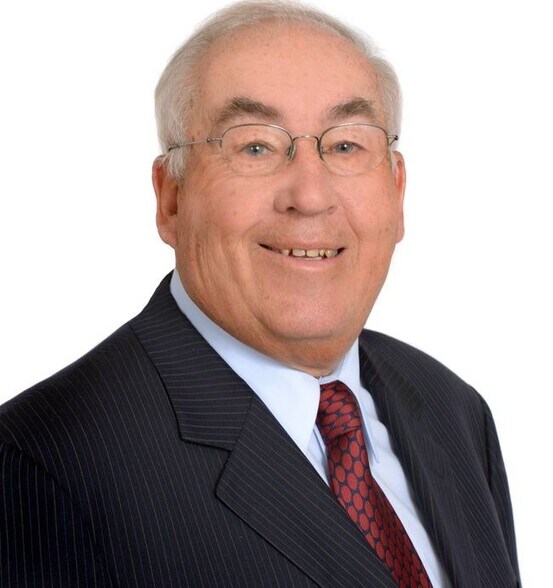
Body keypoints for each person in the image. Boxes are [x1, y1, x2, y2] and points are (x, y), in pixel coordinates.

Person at [0, 1, 520, 586]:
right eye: (255, 147)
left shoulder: (453, 411)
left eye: (346, 146)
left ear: (398, 192)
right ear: (171, 199)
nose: (310, 196)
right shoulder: (41, 463)